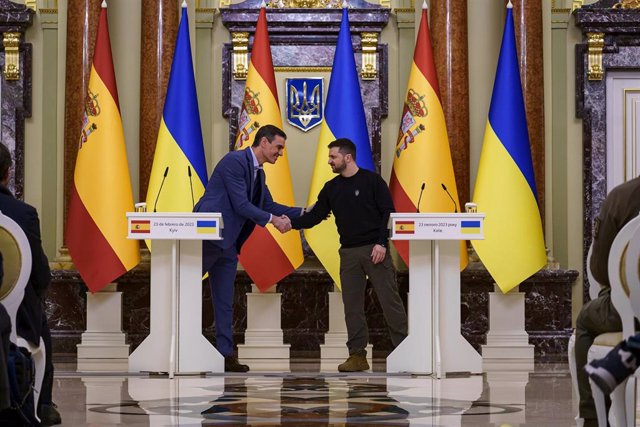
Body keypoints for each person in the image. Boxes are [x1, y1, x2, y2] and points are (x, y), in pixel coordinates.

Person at [288, 138, 408, 372]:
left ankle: (405, 350)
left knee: (390, 301)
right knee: (352, 306)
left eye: (333, 157)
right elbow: (314, 217)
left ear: (348, 157)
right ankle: (357, 356)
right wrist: (288, 223)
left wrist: (382, 243)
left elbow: (388, 213)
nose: (329, 161)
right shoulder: (331, 188)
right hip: (349, 254)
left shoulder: (373, 181)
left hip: (376, 250)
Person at [194, 125, 302, 372]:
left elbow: (270, 204)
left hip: (229, 244)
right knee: (184, 291)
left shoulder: (258, 174)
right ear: (264, 142)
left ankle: (225, 354)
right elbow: (242, 205)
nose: (280, 153)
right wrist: (274, 221)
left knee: (224, 301)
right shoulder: (234, 161)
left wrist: (306, 213)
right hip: (208, 238)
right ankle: (182, 347)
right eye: (279, 147)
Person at [0, 143, 61, 425]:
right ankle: (43, 404)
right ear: (8, 173)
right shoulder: (23, 214)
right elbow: (40, 275)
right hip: (13, 318)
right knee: (38, 320)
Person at [573, 175, 640, 426]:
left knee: (585, 320)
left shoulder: (621, 197)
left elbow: (601, 270)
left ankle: (592, 417)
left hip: (632, 315)